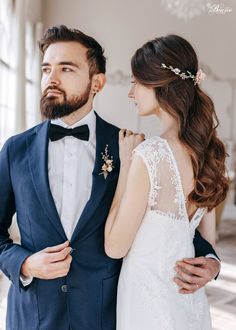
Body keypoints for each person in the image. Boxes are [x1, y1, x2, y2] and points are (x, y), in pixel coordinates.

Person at [0, 26, 222, 330]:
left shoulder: (129, 148)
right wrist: (24, 263)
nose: (51, 78)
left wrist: (211, 261)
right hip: (33, 317)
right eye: (46, 68)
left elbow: (172, 222)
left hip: (105, 316)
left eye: (66, 68)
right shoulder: (15, 149)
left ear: (97, 82)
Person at [104, 35, 229, 329]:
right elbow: (207, 243)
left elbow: (114, 247)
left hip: (147, 308)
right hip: (187, 305)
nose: (130, 93)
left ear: (159, 83)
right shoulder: (206, 154)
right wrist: (213, 265)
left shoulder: (150, 155)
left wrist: (125, 165)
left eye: (136, 82)